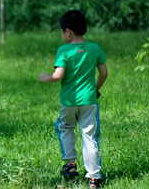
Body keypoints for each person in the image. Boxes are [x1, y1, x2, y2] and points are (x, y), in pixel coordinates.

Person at [38, 10, 108, 189]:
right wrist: (95, 89)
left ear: (68, 32)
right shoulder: (94, 48)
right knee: (89, 136)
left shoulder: (64, 50)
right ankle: (94, 178)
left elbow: (58, 75)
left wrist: (48, 77)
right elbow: (104, 73)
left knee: (65, 127)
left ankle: (70, 165)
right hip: (89, 101)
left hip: (69, 102)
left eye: (62, 31)